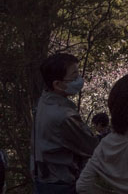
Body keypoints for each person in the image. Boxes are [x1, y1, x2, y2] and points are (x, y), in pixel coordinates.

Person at [32, 52, 98, 194]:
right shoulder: (64, 116)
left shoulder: (45, 100)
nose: (79, 80)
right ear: (57, 84)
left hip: (44, 180)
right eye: (74, 76)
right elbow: (91, 147)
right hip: (61, 184)